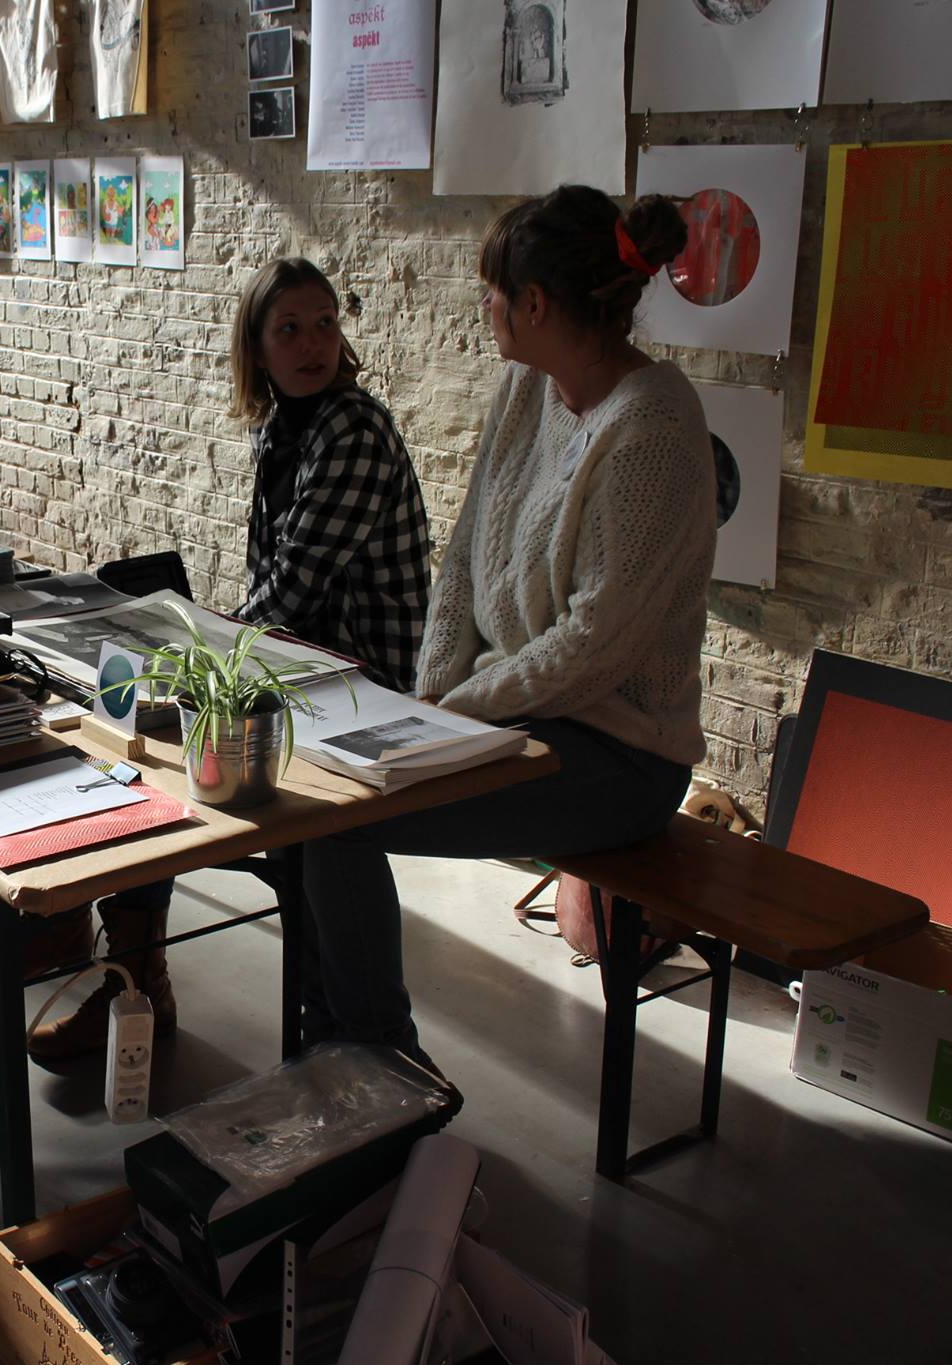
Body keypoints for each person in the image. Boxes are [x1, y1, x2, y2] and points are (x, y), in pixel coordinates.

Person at [297, 187, 712, 1070]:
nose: (483, 305)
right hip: (511, 718)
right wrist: (429, 701)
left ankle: (377, 1059)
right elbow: (463, 557)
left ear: (536, 304)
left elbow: (593, 644)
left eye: (494, 291)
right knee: (322, 794)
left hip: (621, 752)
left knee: (342, 819)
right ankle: (336, 1037)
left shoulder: (653, 427)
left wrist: (456, 714)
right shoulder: (528, 385)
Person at [29, 258, 433, 1059]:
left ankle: (345, 1039)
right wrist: (192, 645)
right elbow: (272, 600)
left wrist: (196, 654)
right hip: (300, 670)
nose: (313, 344)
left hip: (361, 690)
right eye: (290, 329)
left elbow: (289, 592)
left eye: (326, 324)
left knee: (164, 731)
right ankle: (137, 980)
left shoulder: (351, 431)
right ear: (257, 347)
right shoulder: (284, 427)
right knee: (142, 744)